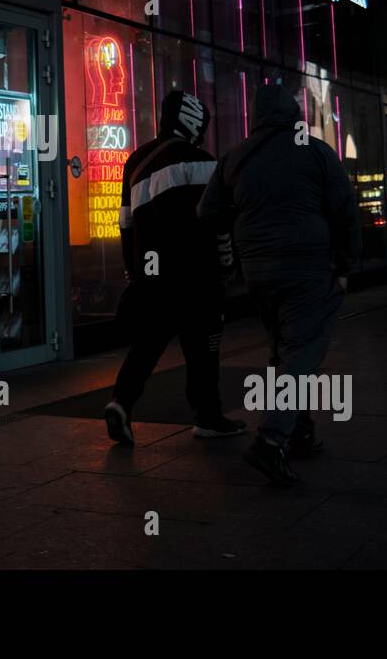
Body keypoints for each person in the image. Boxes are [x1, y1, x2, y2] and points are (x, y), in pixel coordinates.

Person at [198, 82, 361, 486]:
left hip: (258, 273)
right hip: (307, 269)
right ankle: (271, 441)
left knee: (283, 353)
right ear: (294, 114)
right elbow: (345, 210)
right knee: (302, 355)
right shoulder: (317, 151)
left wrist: (240, 238)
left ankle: (300, 433)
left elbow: (207, 213)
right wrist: (345, 266)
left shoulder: (235, 157)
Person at [104, 90, 248, 446]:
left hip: (152, 274)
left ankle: (121, 401)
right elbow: (218, 221)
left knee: (149, 342)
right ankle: (207, 416)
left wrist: (133, 271)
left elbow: (124, 225)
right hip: (196, 274)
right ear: (193, 121)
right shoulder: (201, 161)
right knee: (204, 348)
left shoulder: (135, 162)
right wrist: (227, 264)